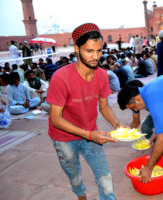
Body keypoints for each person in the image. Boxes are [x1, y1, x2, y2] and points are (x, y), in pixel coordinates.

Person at [46, 23, 121, 200]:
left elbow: (104, 106)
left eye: (99, 51)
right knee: (74, 175)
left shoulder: (102, 75)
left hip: (91, 133)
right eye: (89, 51)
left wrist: (117, 124)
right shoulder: (61, 77)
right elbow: (55, 118)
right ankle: (81, 195)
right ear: (76, 48)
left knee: (104, 176)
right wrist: (89, 134)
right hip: (64, 137)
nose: (96, 57)